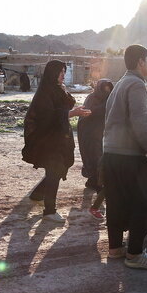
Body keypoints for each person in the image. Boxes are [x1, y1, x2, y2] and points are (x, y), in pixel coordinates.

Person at [102, 44, 147, 269]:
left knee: (116, 202)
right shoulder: (136, 84)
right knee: (146, 202)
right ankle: (135, 254)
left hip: (110, 154)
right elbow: (140, 124)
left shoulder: (119, 84)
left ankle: (116, 248)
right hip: (129, 155)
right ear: (140, 62)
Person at [22, 60, 90, 223]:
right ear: (52, 73)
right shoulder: (45, 91)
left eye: (64, 72)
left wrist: (72, 108)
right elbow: (47, 115)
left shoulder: (58, 88)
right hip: (48, 138)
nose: (63, 75)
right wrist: (72, 113)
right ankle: (49, 211)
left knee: (59, 167)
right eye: (60, 72)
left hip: (60, 136)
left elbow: (65, 106)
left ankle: (38, 194)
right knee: (54, 170)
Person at [77, 78, 114, 220]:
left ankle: (92, 181)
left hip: (101, 134)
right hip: (89, 134)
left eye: (109, 90)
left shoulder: (108, 100)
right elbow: (88, 112)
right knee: (95, 159)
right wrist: (105, 106)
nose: (107, 92)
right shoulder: (92, 98)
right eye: (104, 89)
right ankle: (99, 186)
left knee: (98, 159)